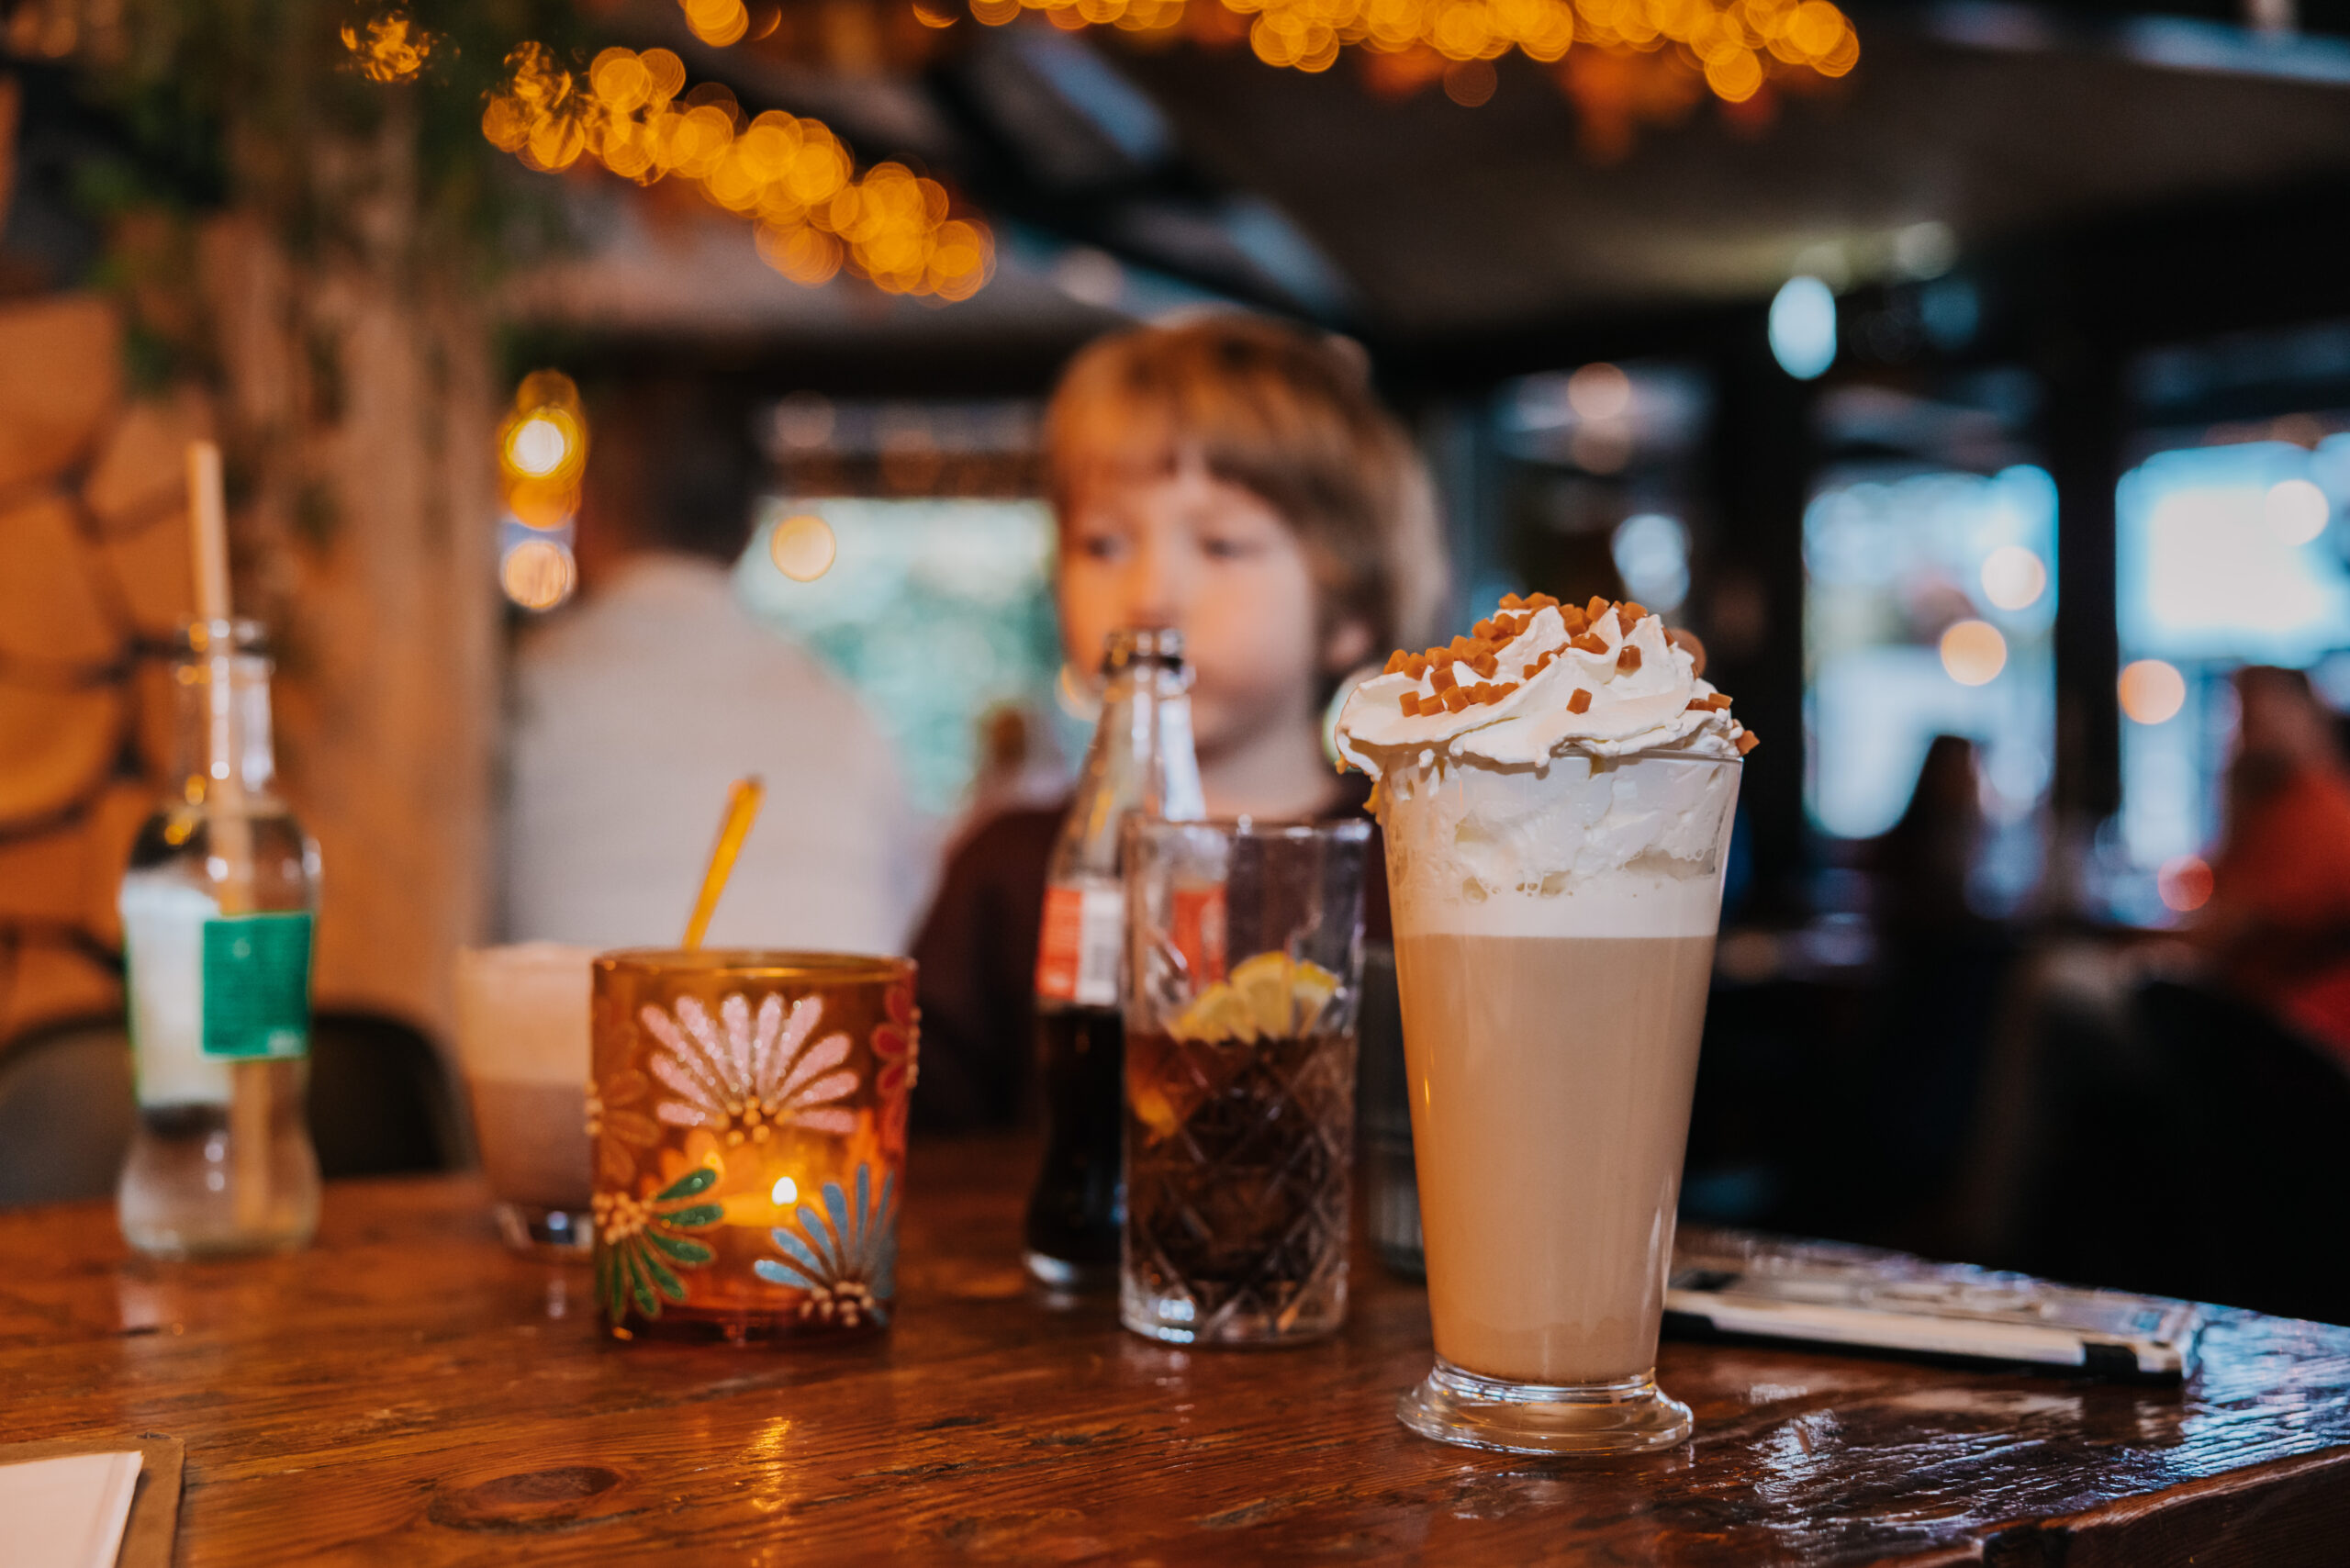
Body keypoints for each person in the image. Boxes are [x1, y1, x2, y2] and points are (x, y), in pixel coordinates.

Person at [909, 316, 1449, 1130]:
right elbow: (918, 1149)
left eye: (1224, 545)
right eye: (1103, 543)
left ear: (1352, 612)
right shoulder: (1010, 871)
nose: (1152, 593)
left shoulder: (1419, 875)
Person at [503, 376, 921, 955]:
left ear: (587, 512)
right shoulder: (845, 715)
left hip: (574, 1042)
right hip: (820, 1042)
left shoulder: (520, 696)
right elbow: (903, 930)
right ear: (749, 531)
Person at [2197, 665, 2350, 1058]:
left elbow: (2234, 927)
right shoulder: (2270, 806)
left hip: (2278, 1027)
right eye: (2243, 714)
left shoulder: (2319, 807)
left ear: (2305, 713)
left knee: (2054, 986)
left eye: (2259, 710)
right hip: (2251, 1015)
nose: (2248, 730)